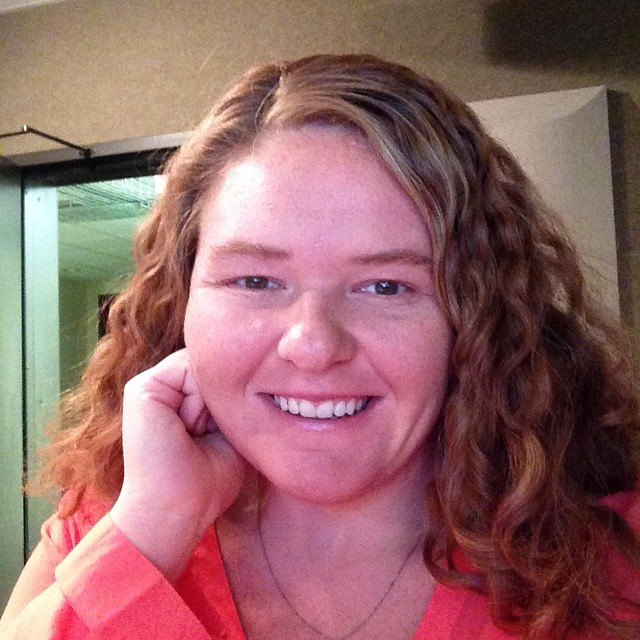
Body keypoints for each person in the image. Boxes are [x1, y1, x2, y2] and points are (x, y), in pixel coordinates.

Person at [1, 54, 639, 640]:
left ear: (476, 314)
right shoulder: (111, 524)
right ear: (182, 299)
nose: (313, 345)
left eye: (386, 286)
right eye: (255, 280)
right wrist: (155, 527)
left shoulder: (610, 556)